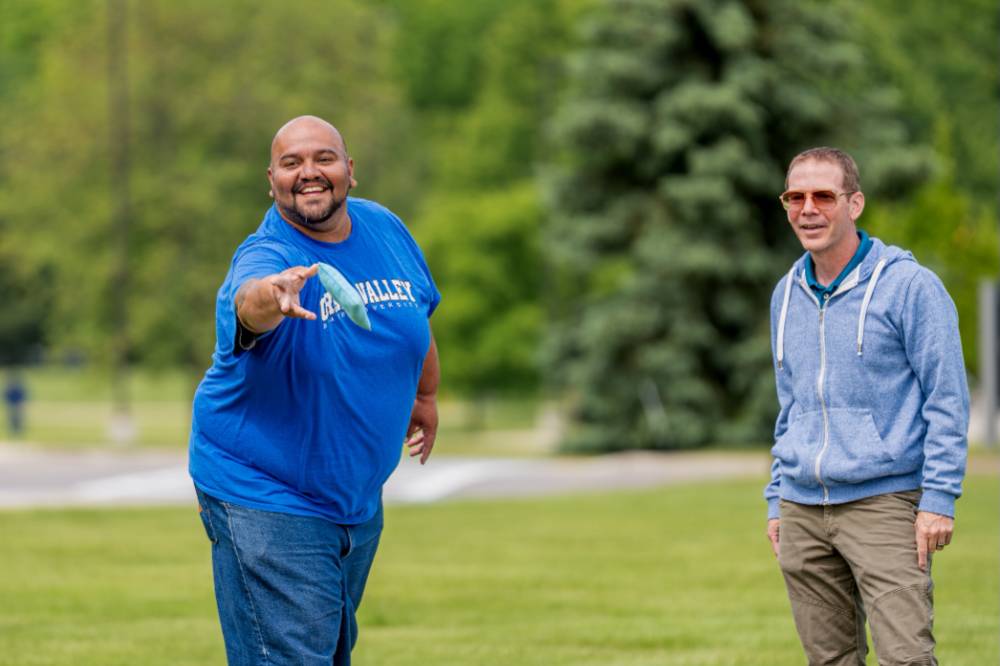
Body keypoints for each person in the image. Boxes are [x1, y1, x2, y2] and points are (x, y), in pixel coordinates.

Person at [188, 115, 441, 666]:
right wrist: (272, 295)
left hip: (353, 499)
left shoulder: (385, 228)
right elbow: (247, 306)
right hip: (265, 488)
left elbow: (417, 314)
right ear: (272, 180)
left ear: (350, 170)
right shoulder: (267, 255)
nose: (309, 172)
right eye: (291, 162)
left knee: (325, 653)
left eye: (323, 158)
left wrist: (424, 395)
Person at [763, 147, 968, 665]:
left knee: (906, 659)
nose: (807, 208)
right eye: (796, 196)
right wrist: (777, 497)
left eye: (823, 196)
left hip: (885, 504)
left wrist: (939, 498)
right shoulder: (786, 293)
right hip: (803, 509)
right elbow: (791, 406)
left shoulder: (909, 287)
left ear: (854, 204)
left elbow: (946, 399)